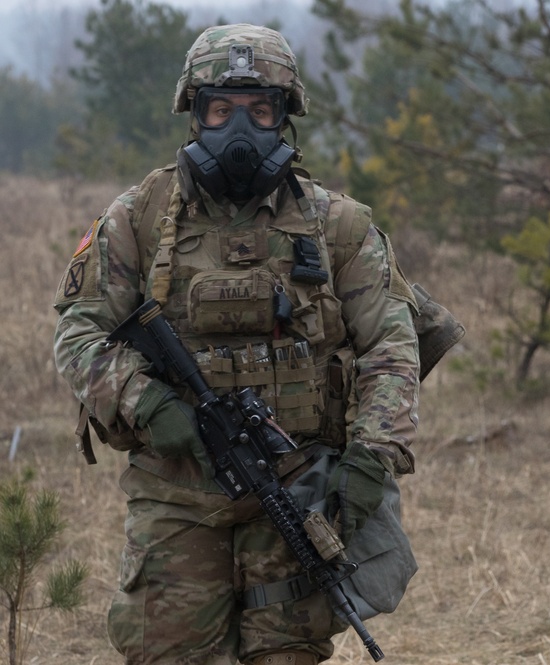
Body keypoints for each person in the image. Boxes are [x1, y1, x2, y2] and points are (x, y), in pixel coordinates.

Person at [53, 24, 420, 665]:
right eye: (221, 110)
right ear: (195, 115)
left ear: (286, 118)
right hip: (176, 497)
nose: (239, 129)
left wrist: (372, 457)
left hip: (297, 489)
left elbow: (392, 344)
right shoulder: (137, 217)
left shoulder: (338, 226)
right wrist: (146, 402)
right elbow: (77, 332)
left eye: (260, 110)